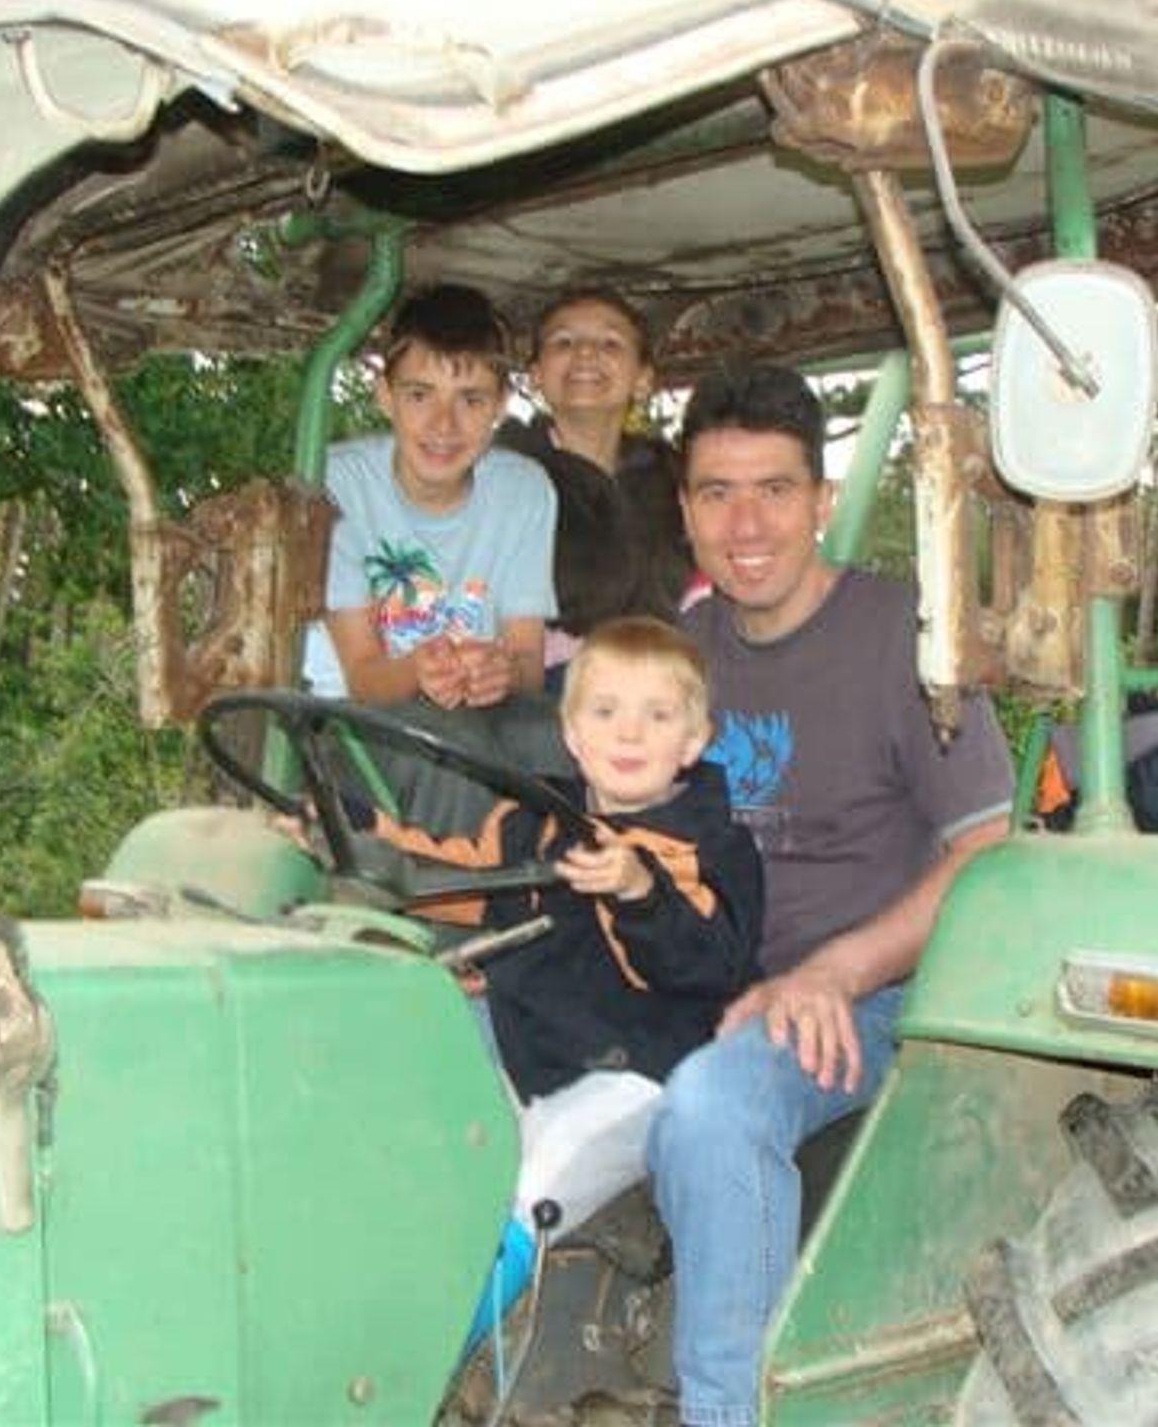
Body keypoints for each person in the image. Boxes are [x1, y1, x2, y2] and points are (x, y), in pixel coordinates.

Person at [651, 366, 1015, 1427]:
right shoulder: (683, 654)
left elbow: (987, 852)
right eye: (717, 492)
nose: (745, 523)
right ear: (685, 512)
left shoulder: (902, 634)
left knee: (715, 1109)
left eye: (774, 489)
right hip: (721, 983)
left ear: (820, 499)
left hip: (883, 995)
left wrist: (832, 972)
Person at [357, 616, 763, 1338]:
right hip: (530, 1047)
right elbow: (460, 879)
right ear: (572, 734)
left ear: (693, 741)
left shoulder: (710, 849)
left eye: (657, 715)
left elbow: (708, 966)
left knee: (537, 1180)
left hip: (639, 1071)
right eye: (605, 712)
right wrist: (365, 836)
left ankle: (433, 1357)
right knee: (397, 1097)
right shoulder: (534, 821)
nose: (629, 733)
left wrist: (640, 893)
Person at [303, 283, 564, 828]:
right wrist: (419, 672)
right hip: (356, 721)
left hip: (480, 714)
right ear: (384, 395)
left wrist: (498, 672)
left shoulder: (525, 490)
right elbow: (364, 677)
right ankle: (453, 886)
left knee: (572, 735)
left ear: (501, 405)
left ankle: (585, 878)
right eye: (420, 395)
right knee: (453, 749)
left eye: (470, 400)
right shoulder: (338, 483)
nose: (444, 426)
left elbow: (527, 663)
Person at [497, 289, 695, 683]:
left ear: (643, 379)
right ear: (535, 376)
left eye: (610, 343)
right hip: (551, 685)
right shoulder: (502, 475)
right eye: (564, 342)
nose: (586, 353)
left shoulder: (676, 474)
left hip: (671, 678)